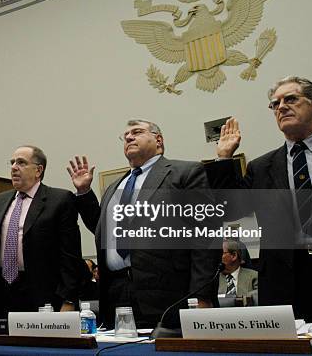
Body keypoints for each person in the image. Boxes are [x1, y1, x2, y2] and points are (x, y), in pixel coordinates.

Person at [212, 76, 312, 324]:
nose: (281, 107)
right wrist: (224, 159)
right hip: (285, 279)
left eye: (291, 99)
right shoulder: (261, 167)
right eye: (275, 104)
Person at [68, 120, 220, 329]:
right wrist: (85, 192)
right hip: (116, 294)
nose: (129, 137)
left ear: (158, 140)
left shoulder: (184, 173)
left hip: (169, 294)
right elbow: (104, 231)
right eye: (125, 136)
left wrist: (202, 296)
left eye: (137, 132)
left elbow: (206, 235)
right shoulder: (114, 187)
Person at [0, 145, 84, 317]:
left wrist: (68, 300)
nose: (14, 167)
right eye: (12, 163)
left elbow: (70, 255)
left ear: (38, 170)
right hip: (2, 293)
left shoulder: (59, 200)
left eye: (21, 162)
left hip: (42, 294)